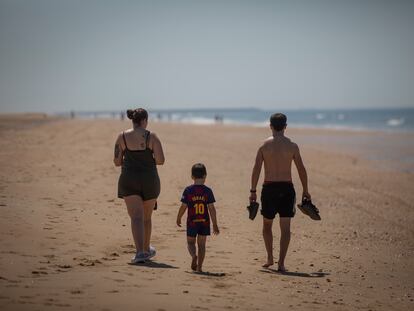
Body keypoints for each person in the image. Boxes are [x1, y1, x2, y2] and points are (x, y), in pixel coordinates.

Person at [249, 113, 311, 272]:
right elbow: (301, 169)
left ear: (270, 126)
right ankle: (281, 263)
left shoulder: (264, 146)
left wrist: (253, 190)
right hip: (286, 189)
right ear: (285, 126)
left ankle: (270, 257)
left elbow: (256, 169)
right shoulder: (292, 146)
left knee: (267, 226)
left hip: (269, 188)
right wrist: (305, 190)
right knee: (285, 228)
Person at [113, 108, 165, 263]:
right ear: (144, 121)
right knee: (147, 217)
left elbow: (116, 162)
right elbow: (161, 160)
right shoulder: (151, 136)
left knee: (136, 216)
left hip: (129, 179)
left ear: (133, 121)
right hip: (150, 180)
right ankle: (147, 249)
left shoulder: (122, 137)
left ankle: (140, 252)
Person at [176, 163, 219, 272]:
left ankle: (194, 255)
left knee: (191, 242)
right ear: (205, 176)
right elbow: (212, 208)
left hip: (192, 222)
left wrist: (179, 217)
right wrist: (215, 224)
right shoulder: (208, 191)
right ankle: (199, 267)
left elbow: (183, 206)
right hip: (204, 222)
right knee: (202, 245)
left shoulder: (188, 190)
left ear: (192, 176)